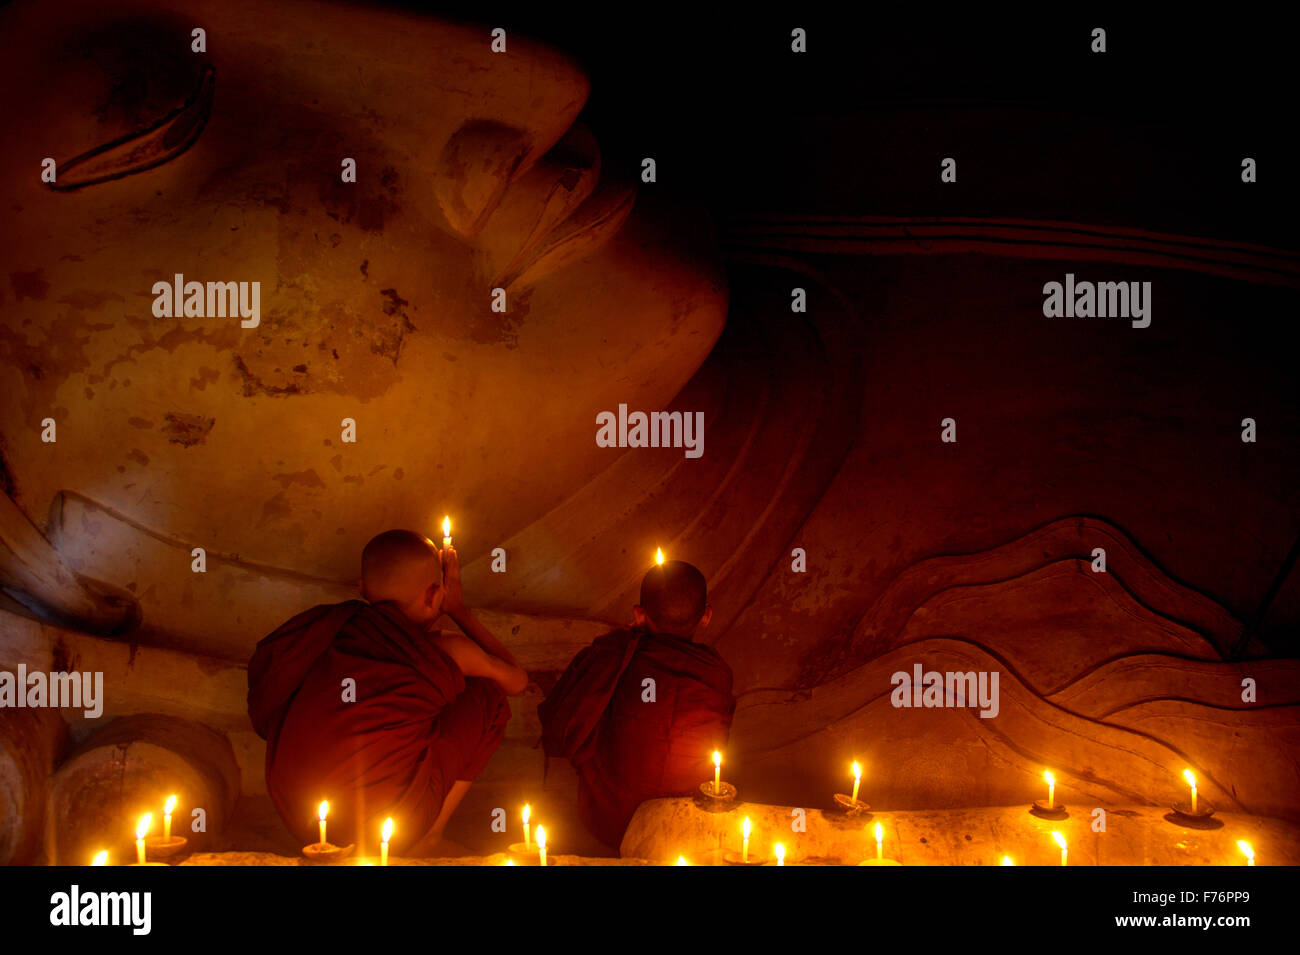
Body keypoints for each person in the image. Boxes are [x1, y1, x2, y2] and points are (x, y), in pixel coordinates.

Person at [247, 529, 527, 854]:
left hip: (304, 820)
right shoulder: (449, 651)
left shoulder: (328, 629)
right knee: (487, 693)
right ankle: (429, 837)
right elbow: (516, 682)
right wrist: (460, 609)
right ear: (435, 595)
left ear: (362, 587)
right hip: (394, 827)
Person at [539, 560, 735, 850]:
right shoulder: (717, 672)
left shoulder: (615, 652)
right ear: (706, 617)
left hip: (612, 820)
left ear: (639, 614)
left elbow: (561, 720)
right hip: (688, 820)